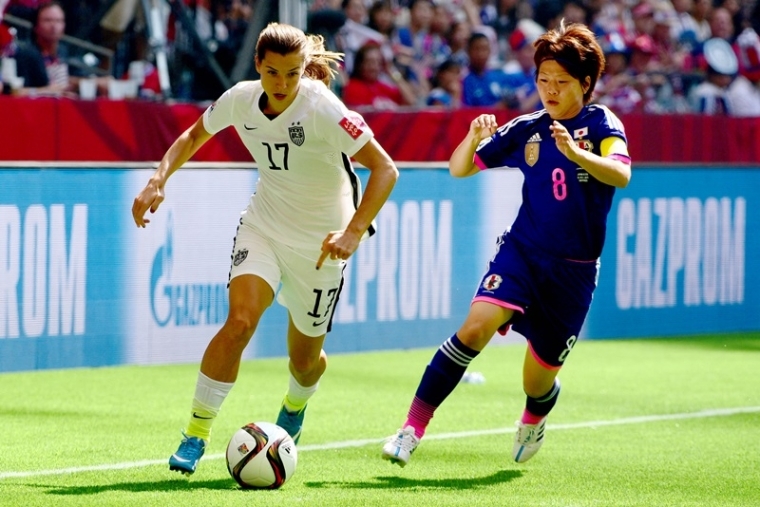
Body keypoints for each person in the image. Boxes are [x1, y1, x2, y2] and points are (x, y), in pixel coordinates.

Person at [132, 22, 399, 476]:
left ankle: (294, 407)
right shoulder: (239, 97)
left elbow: (385, 168)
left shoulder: (322, 108)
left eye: (293, 74)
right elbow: (193, 135)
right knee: (239, 322)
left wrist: (353, 232)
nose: (283, 85)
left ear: (303, 71)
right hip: (264, 226)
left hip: (321, 245)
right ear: (258, 65)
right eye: (274, 73)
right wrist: (158, 179)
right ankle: (195, 435)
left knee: (305, 361)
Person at [381, 19, 631, 467]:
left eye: (561, 82)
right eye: (543, 80)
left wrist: (579, 155)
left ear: (586, 83)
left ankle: (535, 415)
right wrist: (472, 138)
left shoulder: (601, 123)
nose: (549, 90)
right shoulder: (528, 128)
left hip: (573, 272)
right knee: (474, 328)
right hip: (523, 253)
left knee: (537, 380)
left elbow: (622, 173)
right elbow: (459, 169)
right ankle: (409, 430)